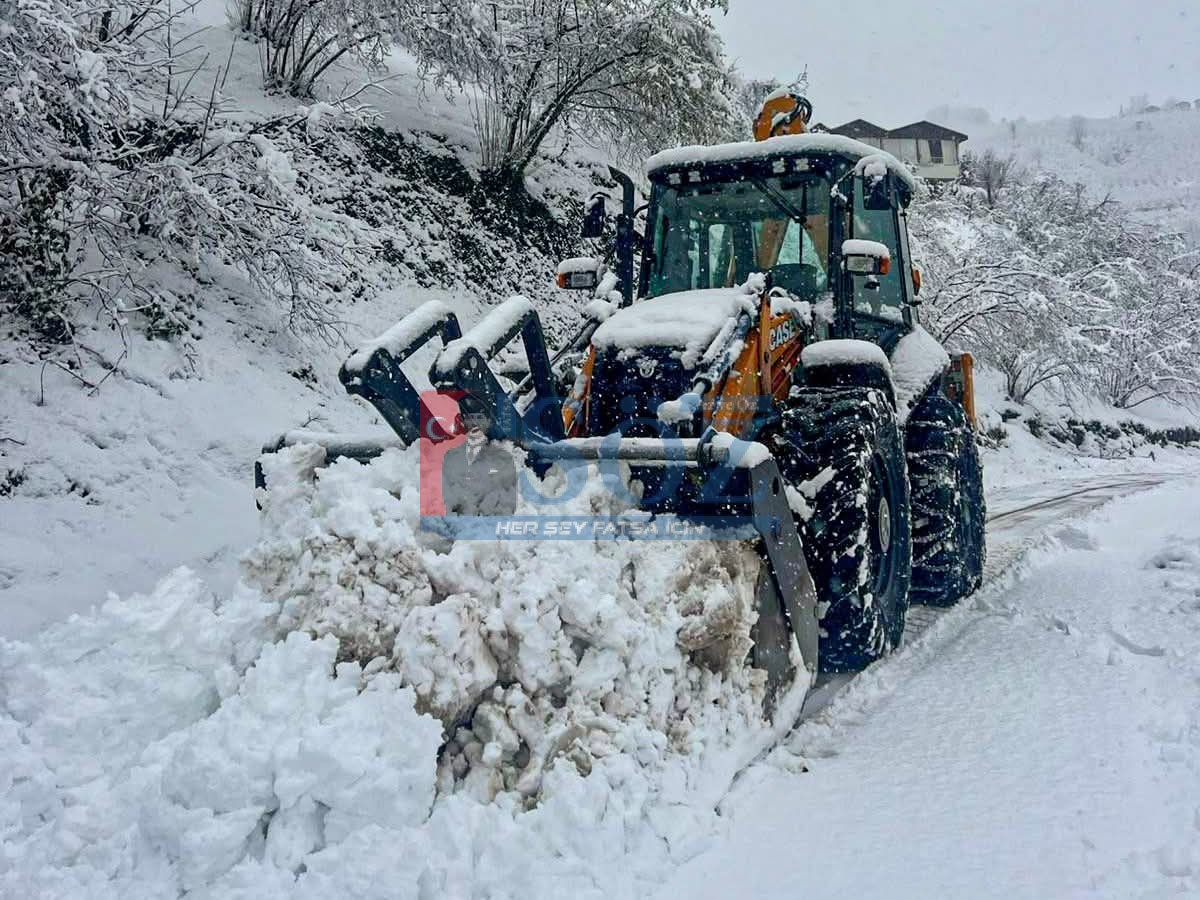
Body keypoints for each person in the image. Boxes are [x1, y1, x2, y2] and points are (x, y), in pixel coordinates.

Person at [440, 402, 517, 518]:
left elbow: (507, 495)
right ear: (463, 422)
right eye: (470, 417)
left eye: (480, 417)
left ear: (489, 421)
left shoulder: (503, 455)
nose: (475, 422)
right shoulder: (452, 454)